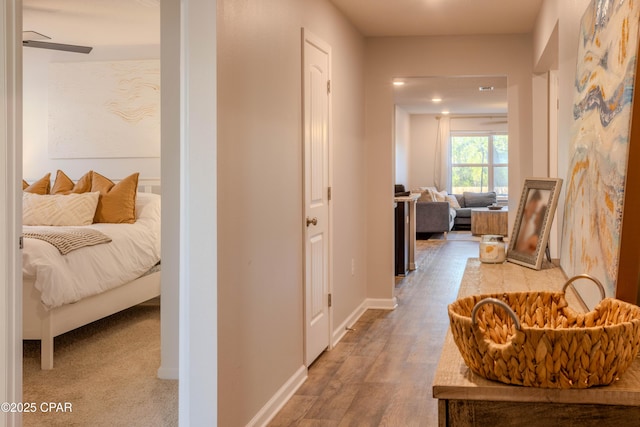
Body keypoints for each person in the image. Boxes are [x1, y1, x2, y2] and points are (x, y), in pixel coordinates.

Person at [514, 189, 547, 255]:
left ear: (541, 218)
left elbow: (518, 249)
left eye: (538, 212)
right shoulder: (534, 235)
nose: (535, 213)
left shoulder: (534, 239)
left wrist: (527, 222)